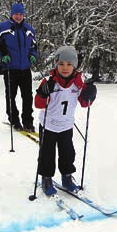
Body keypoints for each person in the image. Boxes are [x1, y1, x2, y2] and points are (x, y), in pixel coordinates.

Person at [34, 46, 97, 196]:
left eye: (69, 64)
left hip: (66, 126)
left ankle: (67, 177)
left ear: (74, 66)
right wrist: (43, 93)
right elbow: (38, 104)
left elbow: (84, 103)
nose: (65, 68)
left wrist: (90, 94)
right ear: (56, 64)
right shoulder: (49, 81)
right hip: (48, 125)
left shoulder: (79, 82)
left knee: (68, 154)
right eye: (61, 64)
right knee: (47, 154)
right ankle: (46, 178)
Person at [0, 3, 38, 132]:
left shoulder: (29, 30)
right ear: (12, 14)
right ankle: (14, 119)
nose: (18, 16)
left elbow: (34, 47)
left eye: (20, 14)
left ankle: (28, 121)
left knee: (27, 96)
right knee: (11, 95)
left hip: (25, 68)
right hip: (10, 68)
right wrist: (0, 57)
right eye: (16, 14)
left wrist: (33, 55)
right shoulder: (2, 28)